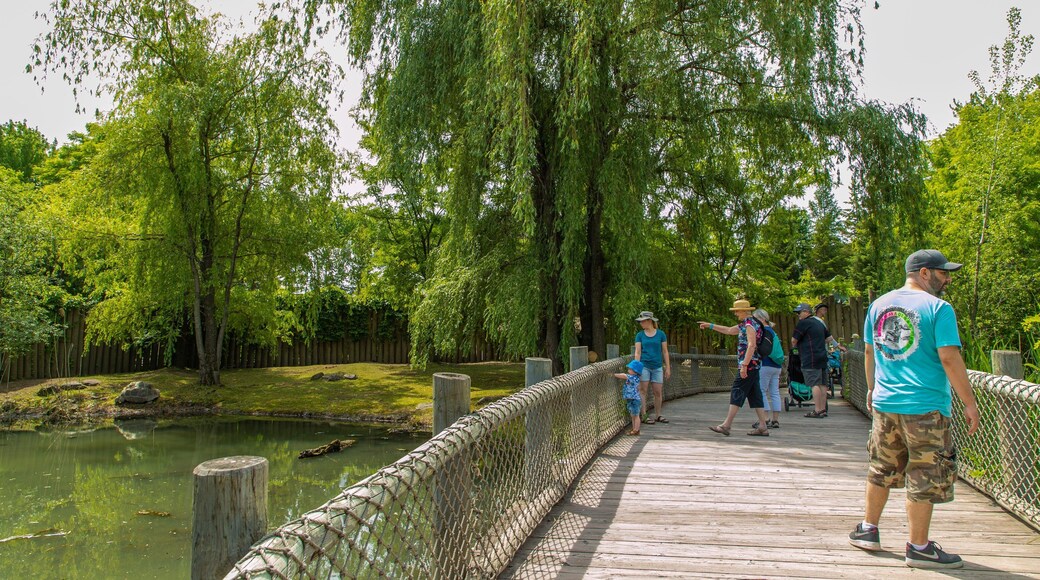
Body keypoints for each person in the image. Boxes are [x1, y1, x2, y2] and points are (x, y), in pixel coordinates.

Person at [848, 249, 981, 569]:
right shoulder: (939, 308)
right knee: (925, 473)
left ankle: (868, 530)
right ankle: (919, 547)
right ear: (924, 273)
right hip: (925, 407)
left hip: (885, 403)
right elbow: (949, 357)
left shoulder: (878, 305)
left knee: (881, 467)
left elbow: (869, 351)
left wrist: (872, 388)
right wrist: (969, 402)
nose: (947, 279)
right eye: (943, 273)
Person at [699, 299, 771, 436]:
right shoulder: (749, 323)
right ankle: (763, 426)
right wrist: (710, 325)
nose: (736, 313)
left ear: (744, 311)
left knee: (737, 391)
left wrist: (744, 365)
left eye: (737, 311)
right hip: (754, 364)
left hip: (749, 364)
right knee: (755, 394)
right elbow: (729, 330)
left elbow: (751, 345)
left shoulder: (749, 324)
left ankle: (726, 425)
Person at [791, 302, 831, 418]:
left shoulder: (803, 323)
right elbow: (829, 338)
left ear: (806, 312)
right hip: (822, 356)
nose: (798, 315)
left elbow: (794, 340)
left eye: (799, 312)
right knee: (823, 383)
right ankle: (823, 409)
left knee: (814, 384)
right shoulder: (819, 323)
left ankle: (817, 410)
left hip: (810, 357)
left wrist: (798, 346)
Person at [634, 311, 671, 424]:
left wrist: (668, 367)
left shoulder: (661, 334)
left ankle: (658, 415)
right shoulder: (640, 335)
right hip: (644, 366)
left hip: (657, 367)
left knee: (658, 392)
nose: (641, 323)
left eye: (642, 321)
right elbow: (638, 352)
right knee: (643, 390)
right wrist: (636, 368)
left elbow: (665, 351)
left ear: (649, 321)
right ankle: (644, 416)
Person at [752, 308, 782, 429]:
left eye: (756, 319)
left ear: (762, 319)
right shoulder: (773, 332)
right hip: (776, 365)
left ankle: (765, 418)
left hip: (765, 364)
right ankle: (775, 419)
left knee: (761, 391)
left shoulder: (763, 332)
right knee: (775, 392)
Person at [614, 360, 644, 435]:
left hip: (634, 399)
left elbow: (624, 375)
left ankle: (636, 429)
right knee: (633, 415)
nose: (628, 370)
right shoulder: (633, 377)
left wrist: (614, 374)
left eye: (630, 369)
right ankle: (634, 429)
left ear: (635, 371)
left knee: (636, 415)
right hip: (630, 398)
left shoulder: (634, 378)